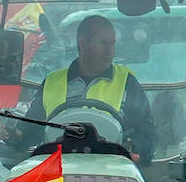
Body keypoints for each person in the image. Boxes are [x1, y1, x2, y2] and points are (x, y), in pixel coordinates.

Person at [25, 14, 156, 162]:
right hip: (56, 172)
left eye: (112, 43)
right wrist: (14, 136)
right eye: (103, 43)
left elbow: (147, 132)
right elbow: (30, 129)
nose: (110, 51)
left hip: (113, 171)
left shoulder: (127, 83)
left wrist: (136, 148)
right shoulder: (51, 82)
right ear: (83, 43)